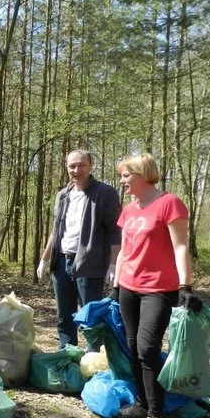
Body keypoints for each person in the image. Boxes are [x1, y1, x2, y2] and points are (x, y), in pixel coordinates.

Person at [111, 153, 202, 418]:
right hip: (128, 287)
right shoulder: (128, 210)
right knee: (134, 346)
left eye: (126, 175)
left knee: (149, 349)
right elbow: (124, 251)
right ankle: (141, 404)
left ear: (142, 174)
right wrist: (115, 285)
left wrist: (185, 285)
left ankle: (155, 417)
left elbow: (180, 247)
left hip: (158, 289)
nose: (122, 180)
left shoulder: (169, 203)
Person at [37, 149, 121, 350]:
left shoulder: (105, 193)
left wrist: (113, 264)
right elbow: (56, 230)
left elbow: (115, 231)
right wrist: (45, 259)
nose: (77, 170)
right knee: (64, 317)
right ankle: (67, 359)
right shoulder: (62, 195)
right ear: (66, 168)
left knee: (91, 318)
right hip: (61, 263)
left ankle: (94, 364)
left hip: (90, 264)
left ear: (91, 166)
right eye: (72, 166)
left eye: (81, 165)